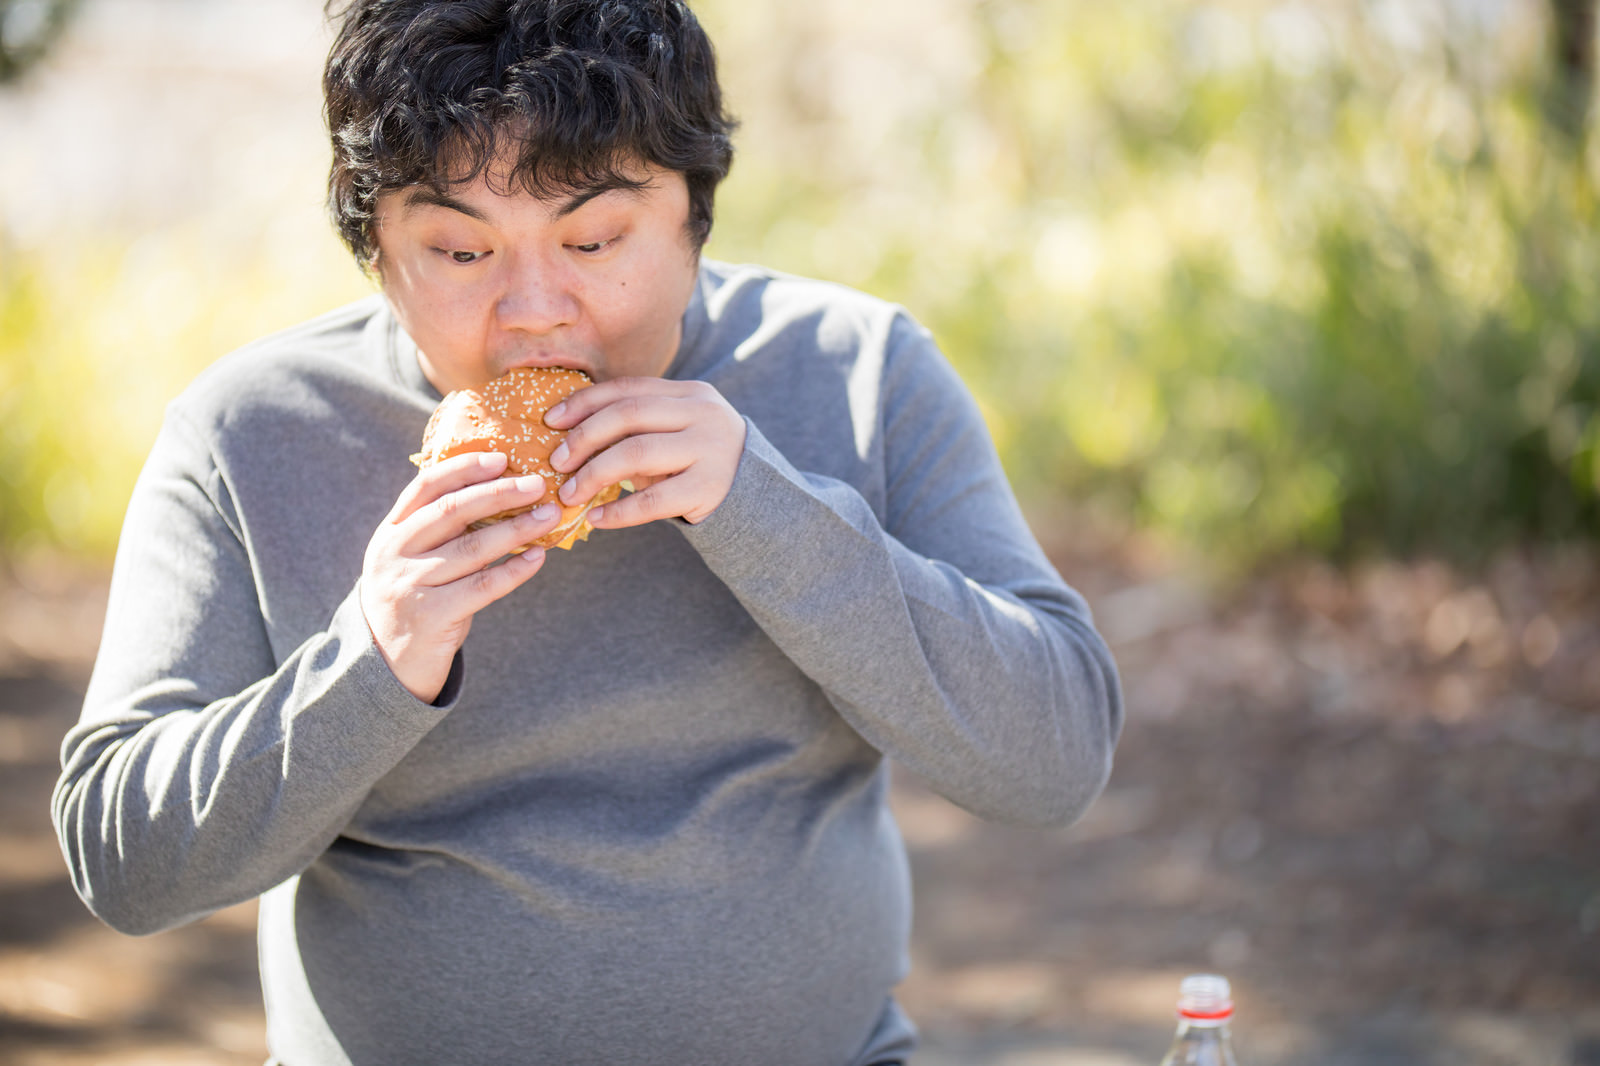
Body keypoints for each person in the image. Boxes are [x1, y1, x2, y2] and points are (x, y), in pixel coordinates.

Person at [51, 1, 1123, 1063]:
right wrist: (372, 656)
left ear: (695, 219)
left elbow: (1055, 759)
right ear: (375, 251)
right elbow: (124, 865)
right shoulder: (250, 433)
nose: (534, 312)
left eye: (594, 237)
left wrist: (768, 508)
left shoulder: (857, 372)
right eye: (461, 252)